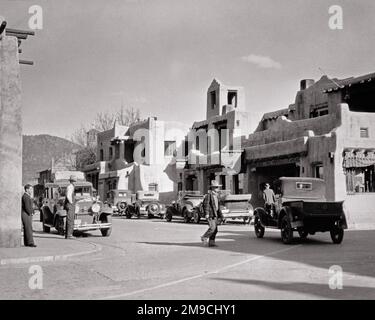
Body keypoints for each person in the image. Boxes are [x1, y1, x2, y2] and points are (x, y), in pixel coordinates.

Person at [201, 180, 223, 247]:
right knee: (212, 228)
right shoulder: (208, 195)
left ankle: (211, 242)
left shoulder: (216, 196)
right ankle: (204, 237)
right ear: (212, 188)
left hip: (215, 214)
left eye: (217, 187)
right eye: (216, 187)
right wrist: (206, 213)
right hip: (210, 214)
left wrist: (221, 215)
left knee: (215, 230)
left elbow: (218, 207)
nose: (217, 189)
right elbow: (206, 205)